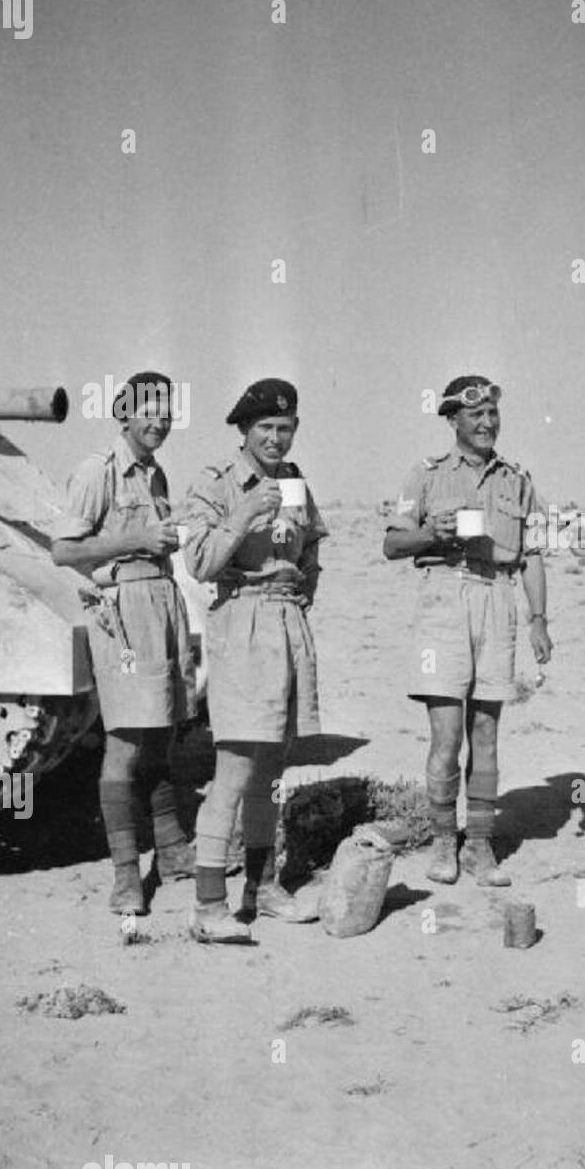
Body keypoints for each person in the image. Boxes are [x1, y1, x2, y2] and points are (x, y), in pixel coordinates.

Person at [384, 376, 552, 887]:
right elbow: (392, 544)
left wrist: (538, 620)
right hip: (443, 596)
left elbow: (533, 555)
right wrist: (430, 534)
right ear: (452, 419)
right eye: (474, 415)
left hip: (497, 598)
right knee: (447, 734)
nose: (486, 423)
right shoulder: (424, 475)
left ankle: (479, 846)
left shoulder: (518, 478)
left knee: (486, 731)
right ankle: (442, 844)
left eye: (492, 414)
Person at [181, 378, 327, 943]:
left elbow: (311, 546)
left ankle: (262, 888)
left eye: (284, 428)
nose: (275, 438)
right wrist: (242, 512)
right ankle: (208, 906)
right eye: (264, 427)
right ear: (244, 429)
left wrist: (304, 586)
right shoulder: (215, 484)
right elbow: (199, 562)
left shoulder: (294, 481)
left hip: (287, 626)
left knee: (271, 768)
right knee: (235, 770)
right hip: (240, 623)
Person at [51, 371, 197, 915]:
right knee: (127, 743)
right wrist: (136, 538)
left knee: (162, 733)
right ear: (123, 413)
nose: (159, 420)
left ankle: (174, 849)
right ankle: (126, 876)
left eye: (167, 410)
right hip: (123, 613)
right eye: (148, 409)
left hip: (162, 605)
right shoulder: (99, 470)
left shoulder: (155, 473)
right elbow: (63, 551)